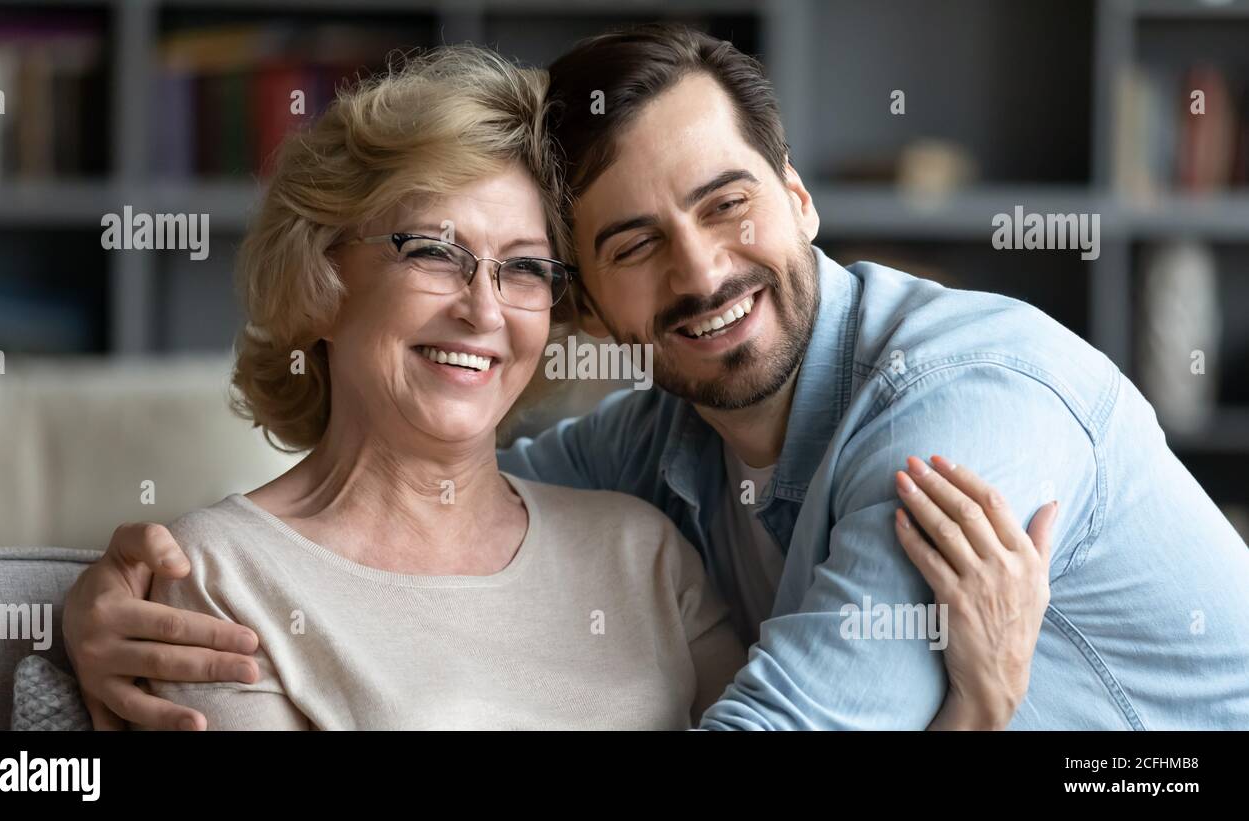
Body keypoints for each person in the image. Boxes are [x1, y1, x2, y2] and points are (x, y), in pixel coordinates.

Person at [65, 32, 1098, 731]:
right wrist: (52, 608)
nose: (483, 307)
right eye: (435, 249)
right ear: (326, 273)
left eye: (521, 268)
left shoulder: (638, 541)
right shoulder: (214, 582)